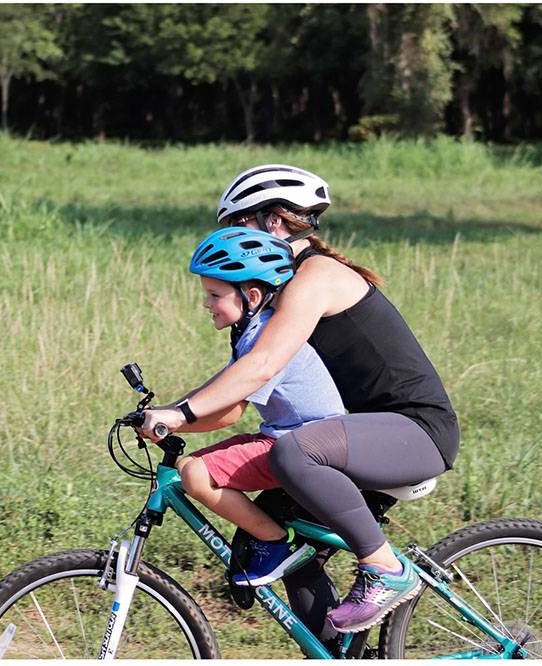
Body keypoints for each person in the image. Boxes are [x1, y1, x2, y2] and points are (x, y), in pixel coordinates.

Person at [143, 165, 460, 639]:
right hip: (360, 435)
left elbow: (265, 363)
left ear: (273, 222)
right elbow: (237, 395)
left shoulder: (316, 276)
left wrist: (181, 412)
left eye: (238, 225)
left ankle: (385, 568)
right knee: (274, 533)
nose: (233, 240)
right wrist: (169, 417)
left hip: (416, 431)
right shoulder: (270, 292)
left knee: (295, 451)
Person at [175, 226, 344, 587]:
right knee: (188, 464)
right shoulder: (251, 332)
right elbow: (219, 391)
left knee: (196, 475)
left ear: (251, 295)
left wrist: (174, 421)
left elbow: (228, 413)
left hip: (304, 446)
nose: (206, 303)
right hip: (285, 438)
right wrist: (171, 410)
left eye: (214, 294)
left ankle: (274, 542)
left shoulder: (264, 337)